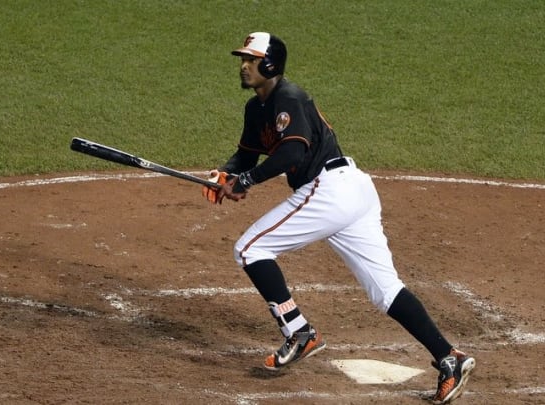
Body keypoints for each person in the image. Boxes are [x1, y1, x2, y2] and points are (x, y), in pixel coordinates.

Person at [201, 32, 475, 404]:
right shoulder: (256, 110)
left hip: (330, 189)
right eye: (243, 59)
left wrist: (246, 181)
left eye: (251, 59)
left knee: (250, 248)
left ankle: (300, 334)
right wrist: (225, 174)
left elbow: (292, 155)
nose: (244, 65)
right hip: (351, 191)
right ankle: (449, 357)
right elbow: (246, 156)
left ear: (271, 64)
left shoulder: (290, 99)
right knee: (385, 290)